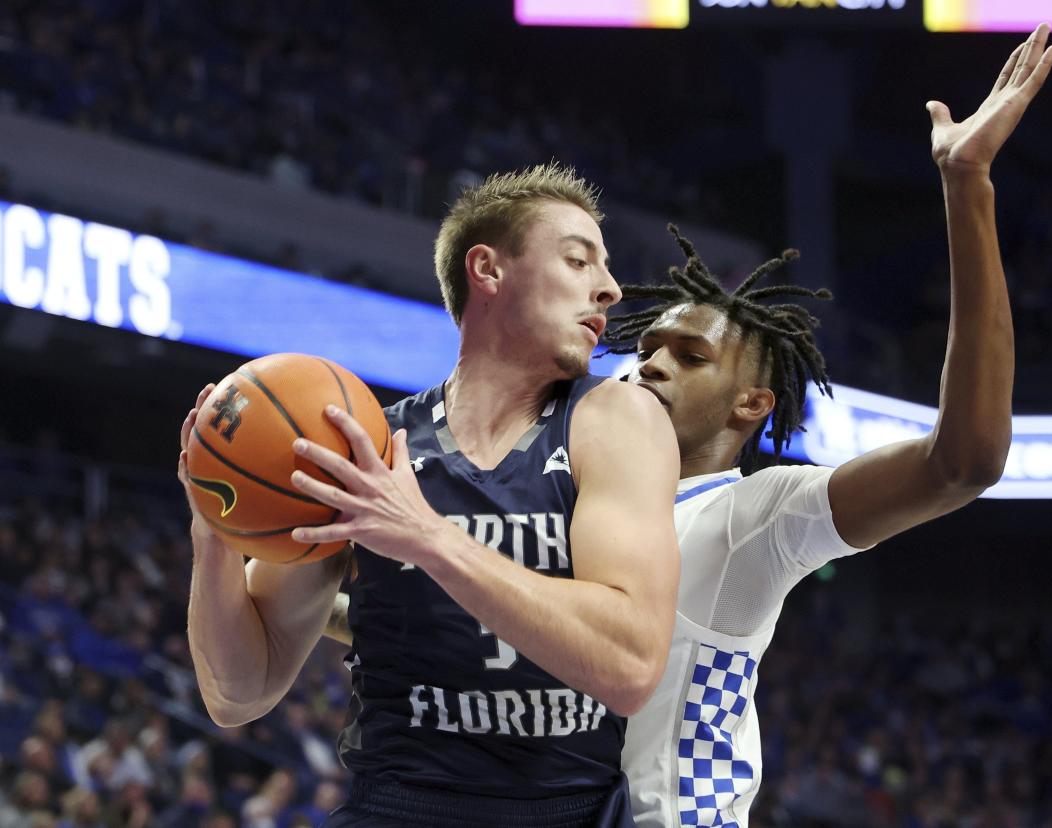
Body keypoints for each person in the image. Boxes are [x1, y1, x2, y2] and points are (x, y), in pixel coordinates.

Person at [324, 24, 1052, 826]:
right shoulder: (579, 502)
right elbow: (490, 630)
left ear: (753, 405)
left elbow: (965, 461)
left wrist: (967, 184)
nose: (648, 365)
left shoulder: (754, 516)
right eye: (644, 349)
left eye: (690, 355)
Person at [178, 164, 681, 827]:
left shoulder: (615, 420)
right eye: (578, 260)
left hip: (563, 812)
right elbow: (237, 694)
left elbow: (629, 665)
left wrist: (431, 536)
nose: (610, 289)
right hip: (398, 808)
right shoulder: (365, 446)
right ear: (489, 270)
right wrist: (216, 527)